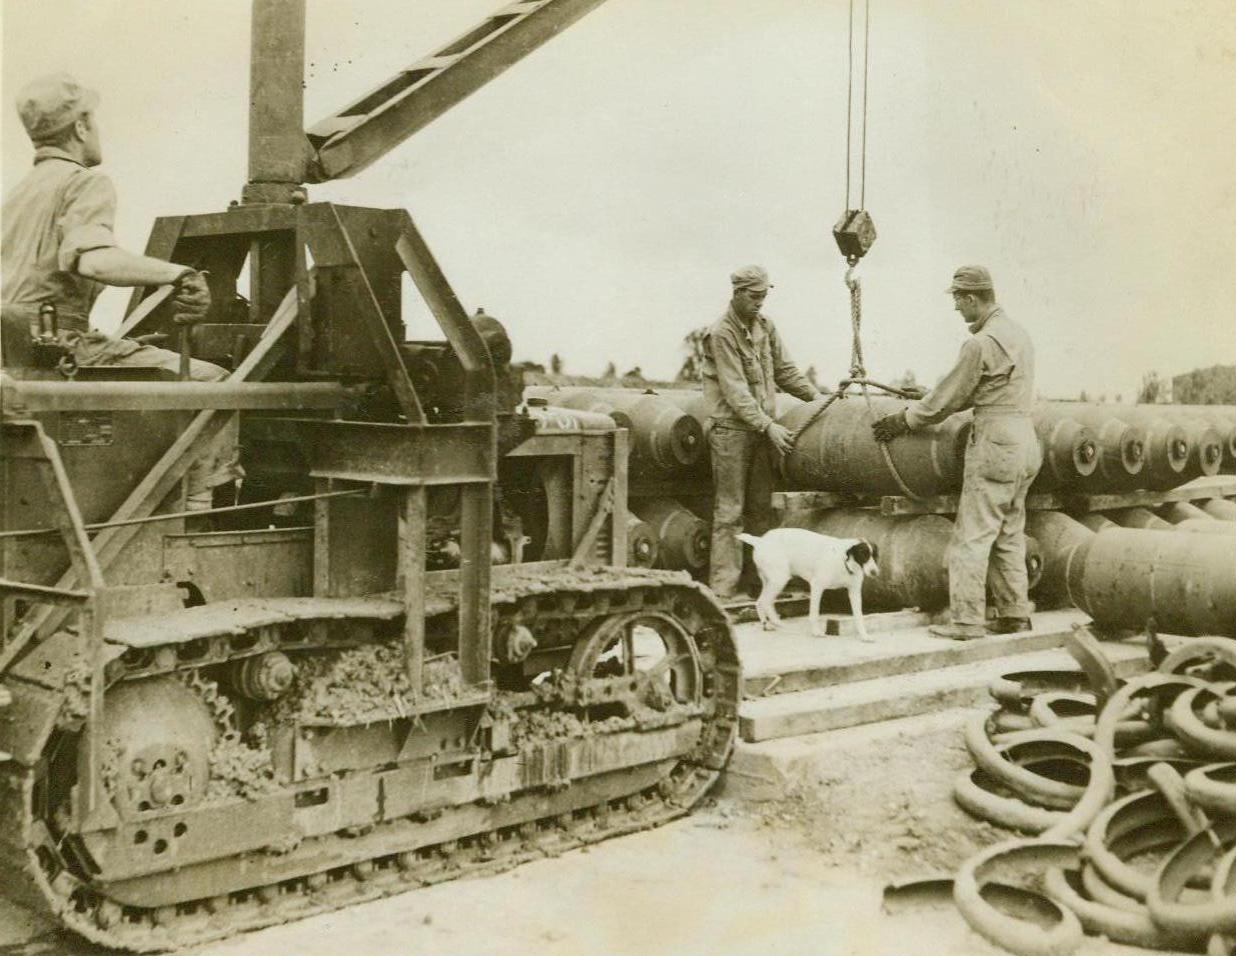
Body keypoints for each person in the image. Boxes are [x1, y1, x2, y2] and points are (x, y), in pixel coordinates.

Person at [1, 73, 241, 509]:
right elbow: (91, 258)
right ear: (81, 125)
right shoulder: (84, 182)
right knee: (216, 384)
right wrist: (179, 273)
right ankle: (200, 510)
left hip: (16, 352)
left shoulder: (19, 194)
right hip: (62, 346)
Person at [872, 265, 1041, 640]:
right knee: (1009, 531)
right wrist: (935, 396)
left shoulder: (979, 343)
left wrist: (906, 420)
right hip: (1025, 439)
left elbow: (947, 400)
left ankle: (966, 621)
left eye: (957, 301)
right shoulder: (1019, 335)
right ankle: (1015, 614)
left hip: (995, 442)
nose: (956, 310)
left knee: (972, 535)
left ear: (971, 298)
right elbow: (984, 389)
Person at [701, 265, 824, 601]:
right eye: (754, 297)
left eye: (764, 297)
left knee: (760, 511)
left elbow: (785, 371)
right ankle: (724, 590)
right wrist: (769, 426)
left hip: (760, 432)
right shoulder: (721, 333)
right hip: (731, 432)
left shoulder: (766, 327)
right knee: (730, 512)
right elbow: (736, 391)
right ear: (737, 293)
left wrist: (821, 400)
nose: (759, 304)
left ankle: (762, 585)